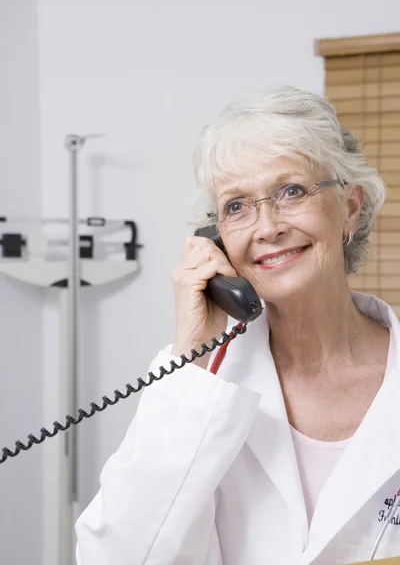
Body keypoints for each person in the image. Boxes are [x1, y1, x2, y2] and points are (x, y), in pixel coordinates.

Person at [75, 87, 400, 564]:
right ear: (217, 240)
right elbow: (117, 557)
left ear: (350, 206)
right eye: (236, 206)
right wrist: (190, 360)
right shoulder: (202, 388)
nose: (266, 227)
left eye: (291, 191)